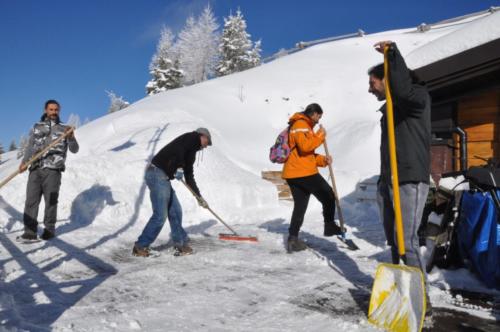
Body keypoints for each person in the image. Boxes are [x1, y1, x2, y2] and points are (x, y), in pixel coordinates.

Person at [368, 41, 432, 313]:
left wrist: (391, 56)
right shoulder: (391, 108)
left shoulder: (416, 97)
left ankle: (421, 297)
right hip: (390, 180)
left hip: (408, 178)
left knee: (407, 237)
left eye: (373, 82)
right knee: (395, 239)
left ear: (388, 79)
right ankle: (401, 291)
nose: (370, 88)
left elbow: (402, 90)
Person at [133, 128, 212, 257]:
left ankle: (179, 245)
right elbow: (179, 148)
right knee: (160, 215)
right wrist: (180, 166)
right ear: (202, 136)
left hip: (162, 177)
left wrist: (198, 196)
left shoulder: (191, 151)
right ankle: (140, 246)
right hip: (156, 173)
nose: (206, 146)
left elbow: (189, 175)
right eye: (207, 142)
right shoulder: (192, 137)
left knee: (176, 211)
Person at [282, 103, 342, 253]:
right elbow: (305, 147)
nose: (318, 120)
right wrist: (320, 136)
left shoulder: (301, 125)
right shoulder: (301, 124)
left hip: (295, 172)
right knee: (328, 195)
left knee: (300, 205)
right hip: (302, 173)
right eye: (318, 117)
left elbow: (305, 155)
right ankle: (329, 225)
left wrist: (323, 160)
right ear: (313, 113)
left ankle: (293, 239)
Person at [18, 99, 79, 242]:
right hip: (35, 168)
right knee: (31, 201)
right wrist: (24, 163)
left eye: (56, 110)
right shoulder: (37, 127)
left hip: (53, 170)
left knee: (51, 201)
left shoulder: (65, 129)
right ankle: (30, 232)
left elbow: (75, 150)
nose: (53, 112)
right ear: (46, 110)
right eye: (51, 109)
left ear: (59, 111)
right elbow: (30, 147)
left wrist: (71, 138)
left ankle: (49, 230)